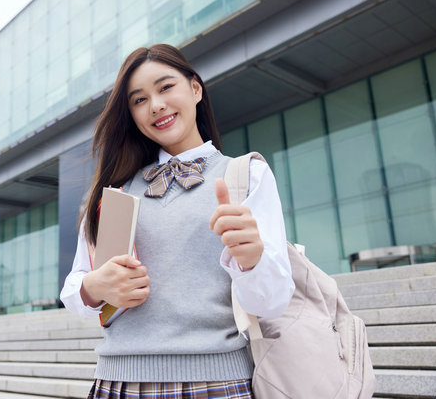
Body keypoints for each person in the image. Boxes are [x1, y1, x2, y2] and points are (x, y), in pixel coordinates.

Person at [60, 44, 294, 399]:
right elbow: (74, 287)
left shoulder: (245, 174)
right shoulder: (117, 192)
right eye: (139, 100)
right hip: (116, 384)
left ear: (195, 89)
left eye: (166, 87)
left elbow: (272, 303)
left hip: (217, 383)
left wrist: (252, 259)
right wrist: (96, 286)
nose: (155, 105)